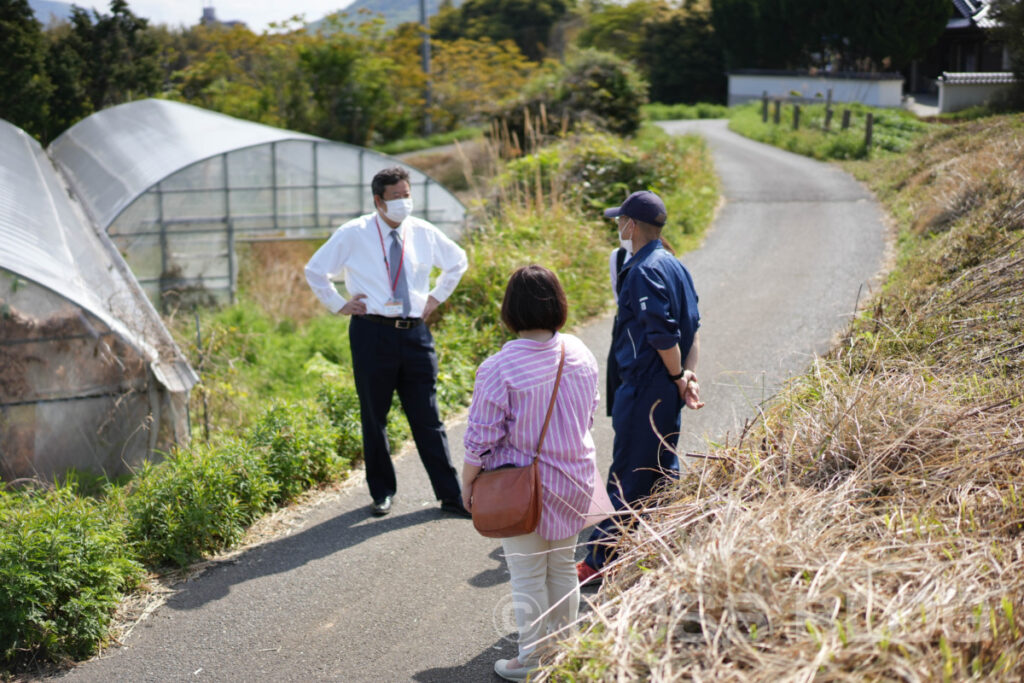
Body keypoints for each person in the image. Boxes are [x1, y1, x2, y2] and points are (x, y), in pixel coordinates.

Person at [304, 166, 471, 518]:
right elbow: (315, 270)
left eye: (407, 195)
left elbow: (458, 261)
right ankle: (382, 492)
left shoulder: (423, 232)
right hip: (372, 332)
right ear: (378, 201)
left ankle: (451, 496)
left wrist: (435, 298)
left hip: (414, 333)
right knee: (374, 416)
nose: (404, 202)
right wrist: (338, 304)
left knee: (428, 418)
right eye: (396, 197)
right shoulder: (354, 233)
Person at [462, 265, 601, 681]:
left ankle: (533, 660)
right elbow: (589, 414)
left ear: (510, 310)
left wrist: (467, 483)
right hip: (576, 477)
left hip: (523, 486)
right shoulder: (580, 352)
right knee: (561, 568)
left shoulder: (499, 367)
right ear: (558, 303)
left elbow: (480, 438)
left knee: (527, 574)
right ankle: (567, 652)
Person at [578, 190, 704, 585]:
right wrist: (686, 376)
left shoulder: (643, 270)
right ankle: (669, 544)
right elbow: (692, 329)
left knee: (628, 473)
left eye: (620, 221)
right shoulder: (675, 265)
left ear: (632, 226)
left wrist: (673, 376)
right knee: (661, 469)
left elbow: (662, 333)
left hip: (649, 386)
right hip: (666, 385)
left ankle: (599, 561)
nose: (618, 227)